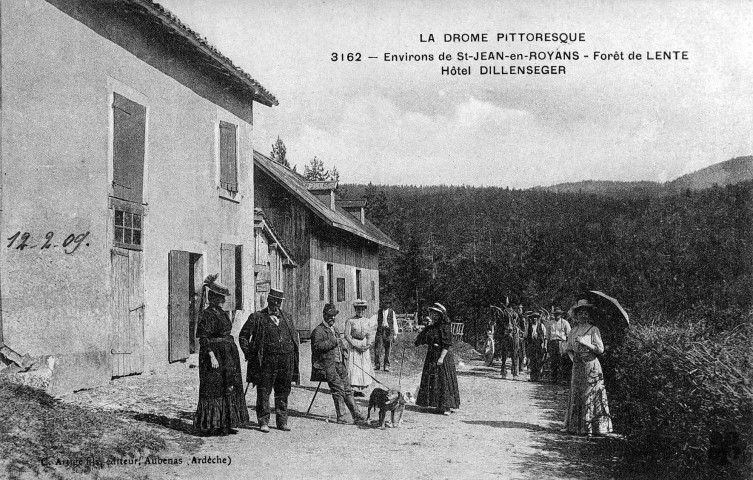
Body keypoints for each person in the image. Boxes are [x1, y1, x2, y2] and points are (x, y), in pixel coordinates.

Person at [193, 274, 249, 436]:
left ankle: (226, 423)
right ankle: (212, 424)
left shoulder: (222, 313)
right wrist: (211, 356)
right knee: (214, 387)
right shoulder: (207, 314)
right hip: (214, 356)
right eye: (221, 298)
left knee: (229, 385)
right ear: (215, 298)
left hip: (227, 356)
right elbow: (203, 338)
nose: (224, 301)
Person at [239, 288, 300, 433]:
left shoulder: (287, 317)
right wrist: (250, 354)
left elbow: (294, 337)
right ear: (268, 300)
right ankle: (263, 421)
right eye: (273, 300)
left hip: (285, 361)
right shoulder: (257, 317)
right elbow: (243, 336)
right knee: (264, 391)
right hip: (266, 362)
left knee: (283, 391)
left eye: (279, 301)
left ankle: (282, 421)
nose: (276, 304)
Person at [310, 304, 367, 424]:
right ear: (324, 316)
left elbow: (339, 343)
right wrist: (334, 342)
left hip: (339, 363)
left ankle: (356, 414)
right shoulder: (318, 330)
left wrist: (344, 349)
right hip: (326, 365)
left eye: (334, 316)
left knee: (347, 388)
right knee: (338, 388)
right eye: (330, 316)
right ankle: (341, 416)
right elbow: (317, 346)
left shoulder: (335, 329)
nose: (332, 318)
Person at [563, 299, 613, 436]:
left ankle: (592, 428)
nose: (583, 316)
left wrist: (586, 343)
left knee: (590, 394)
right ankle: (575, 427)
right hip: (578, 366)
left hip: (591, 365)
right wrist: (574, 359)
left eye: (585, 313)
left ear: (588, 315)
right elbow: (568, 349)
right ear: (576, 315)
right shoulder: (573, 330)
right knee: (577, 393)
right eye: (580, 313)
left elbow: (600, 349)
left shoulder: (593, 329)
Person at [415, 302, 460, 415]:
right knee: (434, 380)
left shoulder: (445, 327)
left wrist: (441, 357)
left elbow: (447, 344)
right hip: (432, 355)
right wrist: (424, 330)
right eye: (432, 313)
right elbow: (421, 339)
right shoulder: (431, 327)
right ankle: (437, 405)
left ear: (441, 315)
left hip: (443, 357)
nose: (433, 315)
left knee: (443, 380)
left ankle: (447, 407)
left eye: (436, 314)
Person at [345, 299, 375, 397]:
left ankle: (361, 389)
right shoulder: (350, 321)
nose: (360, 311)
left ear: (364, 310)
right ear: (355, 310)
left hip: (364, 345)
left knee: (363, 367)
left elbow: (370, 334)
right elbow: (347, 335)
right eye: (358, 309)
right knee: (354, 367)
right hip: (354, 345)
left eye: (362, 310)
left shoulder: (367, 321)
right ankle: (353, 389)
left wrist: (368, 345)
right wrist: (355, 345)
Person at [547, 307, 571, 384]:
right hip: (553, 342)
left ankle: (562, 379)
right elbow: (548, 334)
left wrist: (567, 345)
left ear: (561, 315)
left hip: (562, 342)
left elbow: (569, 334)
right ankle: (554, 378)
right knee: (553, 361)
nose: (557, 315)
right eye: (556, 314)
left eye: (558, 314)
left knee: (562, 360)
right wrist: (548, 344)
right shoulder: (550, 323)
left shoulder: (565, 322)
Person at [374, 300, 398, 371]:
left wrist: (395, 334)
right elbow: (374, 321)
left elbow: (395, 323)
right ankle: (377, 365)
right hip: (380, 331)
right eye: (385, 303)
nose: (386, 304)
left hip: (388, 331)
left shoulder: (392, 312)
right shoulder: (379, 312)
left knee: (388, 349)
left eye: (388, 303)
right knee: (377, 348)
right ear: (383, 303)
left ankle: (386, 365)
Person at [498, 312, 520, 378]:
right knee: (504, 354)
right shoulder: (504, 314)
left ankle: (515, 372)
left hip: (513, 331)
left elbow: (516, 321)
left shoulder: (515, 314)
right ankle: (503, 371)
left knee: (514, 354)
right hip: (506, 331)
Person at [526, 313, 547, 381]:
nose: (534, 319)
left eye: (536, 317)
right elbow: (525, 336)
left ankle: (538, 377)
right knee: (532, 360)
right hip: (531, 344)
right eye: (533, 317)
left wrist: (544, 345)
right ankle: (532, 376)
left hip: (539, 345)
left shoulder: (541, 326)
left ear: (538, 318)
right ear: (531, 318)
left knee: (539, 361)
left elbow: (545, 337)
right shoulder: (528, 326)